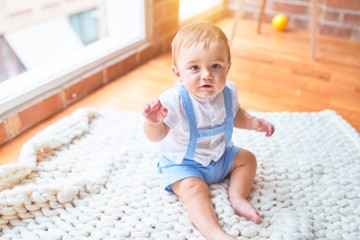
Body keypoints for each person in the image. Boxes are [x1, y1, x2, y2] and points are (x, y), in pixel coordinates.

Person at [142, 22, 275, 240]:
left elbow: (236, 114)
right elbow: (155, 136)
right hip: (184, 164)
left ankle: (237, 196)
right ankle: (215, 233)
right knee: (194, 190)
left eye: (215, 66)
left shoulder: (228, 92)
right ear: (178, 73)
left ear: (228, 67)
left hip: (220, 156)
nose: (206, 75)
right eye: (194, 68)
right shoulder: (172, 101)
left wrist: (253, 122)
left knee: (247, 159)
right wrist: (154, 123)